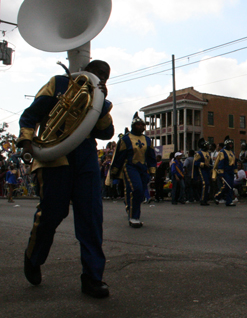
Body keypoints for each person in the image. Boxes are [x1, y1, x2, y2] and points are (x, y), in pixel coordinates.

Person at [18, 60, 114, 298]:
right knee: (52, 213)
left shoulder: (102, 99)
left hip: (86, 157)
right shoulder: (59, 83)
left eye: (106, 76)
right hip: (55, 154)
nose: (101, 77)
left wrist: (101, 103)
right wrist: (26, 141)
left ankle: (92, 278)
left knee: (91, 217)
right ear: (87, 69)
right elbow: (31, 116)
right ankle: (34, 257)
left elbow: (106, 132)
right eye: (98, 73)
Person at [110, 112, 156, 227]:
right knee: (136, 188)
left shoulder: (147, 140)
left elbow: (151, 156)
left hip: (143, 168)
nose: (140, 127)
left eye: (142, 125)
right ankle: (134, 217)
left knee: (139, 192)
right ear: (133, 126)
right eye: (138, 125)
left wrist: (152, 170)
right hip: (130, 166)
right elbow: (119, 156)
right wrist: (114, 171)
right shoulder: (126, 139)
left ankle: (129, 205)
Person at [213, 136, 237, 206]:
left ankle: (229, 201)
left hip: (231, 171)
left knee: (231, 186)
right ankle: (217, 196)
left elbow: (235, 162)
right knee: (226, 185)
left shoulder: (232, 152)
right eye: (229, 144)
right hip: (225, 171)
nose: (231, 145)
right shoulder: (222, 152)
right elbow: (221, 162)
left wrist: (235, 171)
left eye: (231, 144)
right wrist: (221, 173)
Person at [193, 139, 211, 206]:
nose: (209, 146)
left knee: (207, 184)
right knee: (205, 184)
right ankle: (202, 199)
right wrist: (203, 164)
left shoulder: (208, 153)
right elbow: (195, 162)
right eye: (207, 145)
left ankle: (206, 199)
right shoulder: (199, 153)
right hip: (202, 170)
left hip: (207, 170)